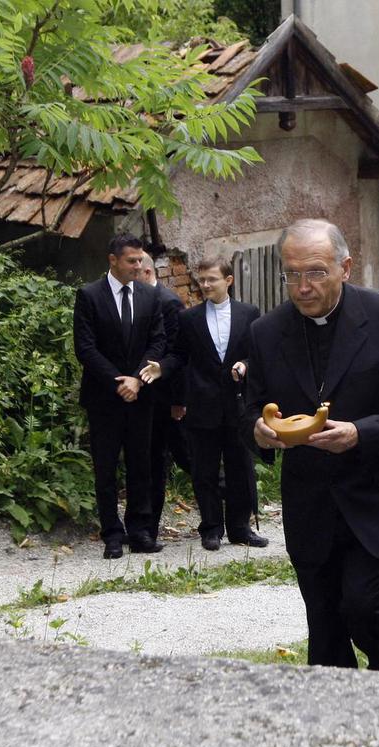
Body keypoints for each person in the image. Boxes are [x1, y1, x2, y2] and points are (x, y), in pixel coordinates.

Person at [244, 219, 379, 672]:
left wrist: (360, 433)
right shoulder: (266, 331)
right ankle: (332, 704)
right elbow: (249, 407)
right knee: (324, 620)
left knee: (365, 606)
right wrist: (257, 429)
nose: (302, 287)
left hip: (377, 493)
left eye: (315, 272)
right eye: (292, 274)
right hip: (310, 499)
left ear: (345, 268)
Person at [148, 255, 264, 551]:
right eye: (201, 280)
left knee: (240, 468)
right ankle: (211, 528)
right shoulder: (189, 318)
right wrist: (162, 368)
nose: (205, 284)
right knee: (204, 470)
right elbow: (179, 355)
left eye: (212, 279)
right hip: (202, 404)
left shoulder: (249, 313)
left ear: (228, 280)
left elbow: (258, 354)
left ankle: (240, 528)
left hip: (237, 404)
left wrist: (245, 365)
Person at [73, 234, 166, 559]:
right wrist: (119, 382)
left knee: (141, 465)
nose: (138, 266)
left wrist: (137, 380)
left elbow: (158, 341)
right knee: (106, 468)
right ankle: (112, 534)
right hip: (104, 398)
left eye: (140, 260)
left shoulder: (149, 296)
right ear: (113, 260)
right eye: (131, 261)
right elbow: (85, 348)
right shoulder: (89, 295)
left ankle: (139, 531)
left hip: (141, 397)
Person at [137, 252, 192, 539]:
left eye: (135, 271)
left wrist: (178, 401)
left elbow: (179, 355)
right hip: (147, 397)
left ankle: (231, 503)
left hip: (167, 398)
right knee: (153, 460)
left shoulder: (169, 303)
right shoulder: (139, 299)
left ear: (147, 273)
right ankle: (147, 527)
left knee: (187, 457)